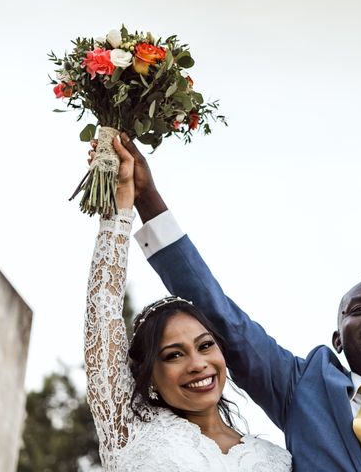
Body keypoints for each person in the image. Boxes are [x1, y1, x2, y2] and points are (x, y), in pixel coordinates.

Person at [110, 133, 361, 471]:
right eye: (358, 310)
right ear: (337, 340)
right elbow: (220, 317)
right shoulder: (302, 389)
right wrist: (148, 198)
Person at [83, 136, 292, 471]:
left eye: (205, 345)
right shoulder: (130, 428)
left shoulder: (279, 460)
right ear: (148, 373)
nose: (197, 364)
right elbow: (103, 317)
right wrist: (120, 210)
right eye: (173, 355)